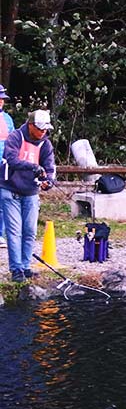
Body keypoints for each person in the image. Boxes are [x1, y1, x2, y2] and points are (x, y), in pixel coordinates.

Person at [0, 110, 56, 282]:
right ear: (31, 125)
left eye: (46, 129)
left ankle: (25, 266)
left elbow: (50, 168)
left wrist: (48, 182)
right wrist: (33, 167)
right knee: (14, 231)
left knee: (30, 231)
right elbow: (11, 158)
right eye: (40, 129)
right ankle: (16, 269)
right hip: (9, 189)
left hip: (31, 192)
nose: (43, 132)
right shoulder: (15, 137)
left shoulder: (45, 144)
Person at [0, 86, 15, 249]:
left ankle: (0, 234)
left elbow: (13, 142)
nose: (1, 101)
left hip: (3, 165)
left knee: (3, 200)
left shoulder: (8, 119)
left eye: (2, 98)